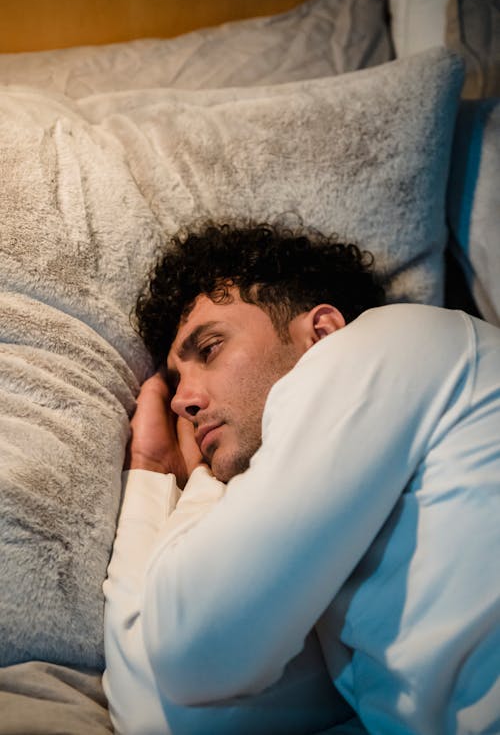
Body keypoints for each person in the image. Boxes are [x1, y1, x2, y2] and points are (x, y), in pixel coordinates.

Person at [103, 223, 500, 735]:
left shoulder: (394, 340)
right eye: (177, 382)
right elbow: (160, 716)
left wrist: (195, 478)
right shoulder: (326, 551)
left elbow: (194, 649)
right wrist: (153, 472)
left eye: (210, 349)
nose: (182, 401)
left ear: (322, 332)